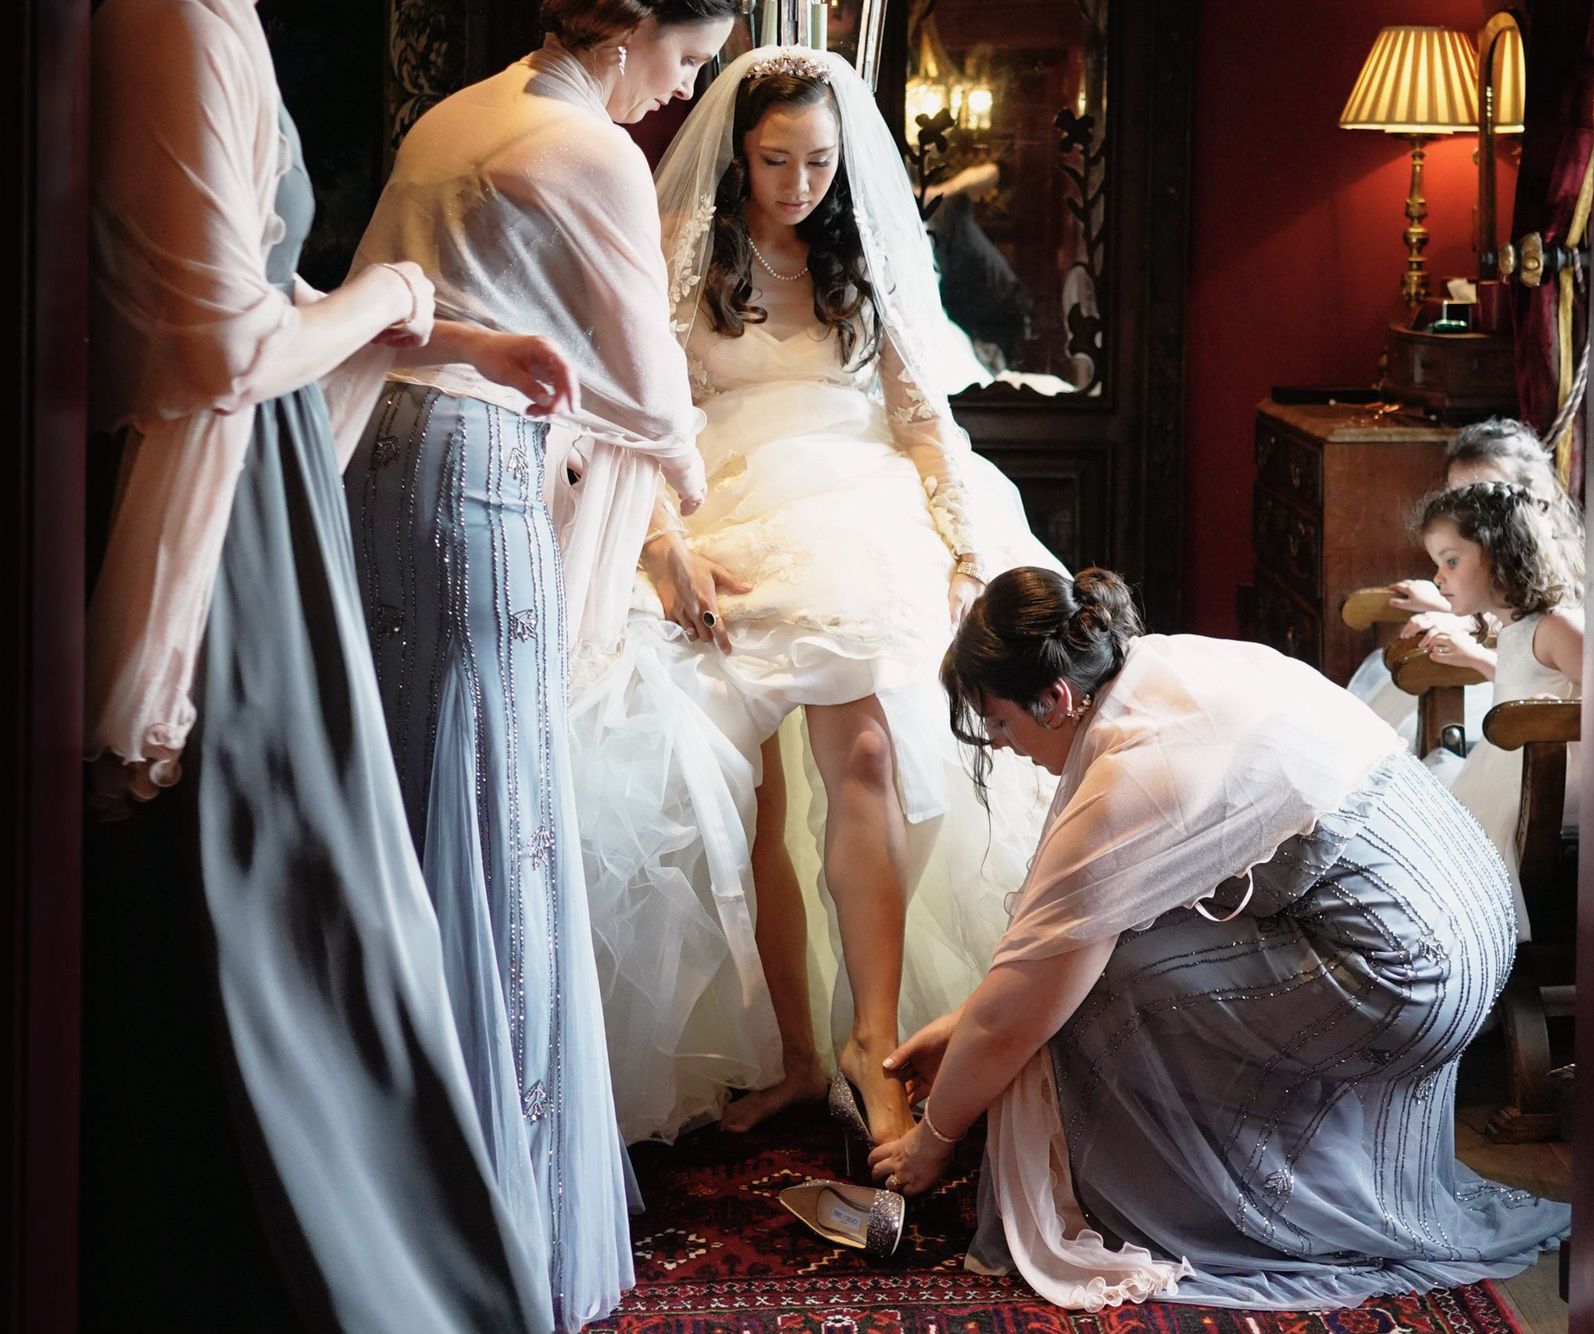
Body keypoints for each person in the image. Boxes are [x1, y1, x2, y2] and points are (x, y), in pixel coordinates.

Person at [84, 0, 577, 1327]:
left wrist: (450, 333)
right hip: (236, 553)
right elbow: (216, 348)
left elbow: (260, 295)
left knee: (334, 918)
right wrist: (394, 292)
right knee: (293, 926)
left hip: (274, 520)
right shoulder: (165, 19)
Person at [572, 44, 1060, 1150]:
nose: (798, 185)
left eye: (818, 162)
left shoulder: (866, 265)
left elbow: (925, 420)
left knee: (874, 758)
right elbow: (634, 419)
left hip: (858, 519)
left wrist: (968, 551)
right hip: (722, 526)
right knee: (730, 793)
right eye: (775, 160)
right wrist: (659, 547)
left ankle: (869, 1039)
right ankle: (790, 1050)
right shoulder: (686, 261)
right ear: (737, 155)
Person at [337, 2, 744, 1327]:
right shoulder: (584, 146)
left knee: (409, 802)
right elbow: (643, 376)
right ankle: (492, 1221)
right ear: (632, 30)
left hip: (376, 469)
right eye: (685, 61)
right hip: (471, 483)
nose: (674, 95)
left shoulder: (457, 112)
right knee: (499, 812)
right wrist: (692, 505)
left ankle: (389, 1187)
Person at [866, 567, 1570, 1309]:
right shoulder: (1167, 665)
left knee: (1100, 980)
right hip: (1479, 914)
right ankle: (1238, 1164)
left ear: (1057, 699)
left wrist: (931, 1142)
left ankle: (1196, 1203)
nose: (1002, 747)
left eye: (1002, 723)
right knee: (1101, 951)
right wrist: (964, 1028)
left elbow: (1021, 1007)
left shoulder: (1132, 769)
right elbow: (1029, 976)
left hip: (1411, 969)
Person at [1347, 418, 1580, 752]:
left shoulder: (1558, 596)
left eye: (1485, 503)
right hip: (1503, 680)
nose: (1468, 517)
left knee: (1413, 725)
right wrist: (1445, 605)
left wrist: (1465, 635)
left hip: (1516, 708)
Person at [1416, 482, 1585, 938]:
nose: (1439, 578)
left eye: (1451, 561)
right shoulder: (1514, 628)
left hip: (1551, 773)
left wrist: (1554, 719)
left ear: (1500, 553)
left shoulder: (1557, 626)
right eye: (1438, 565)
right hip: (1510, 760)